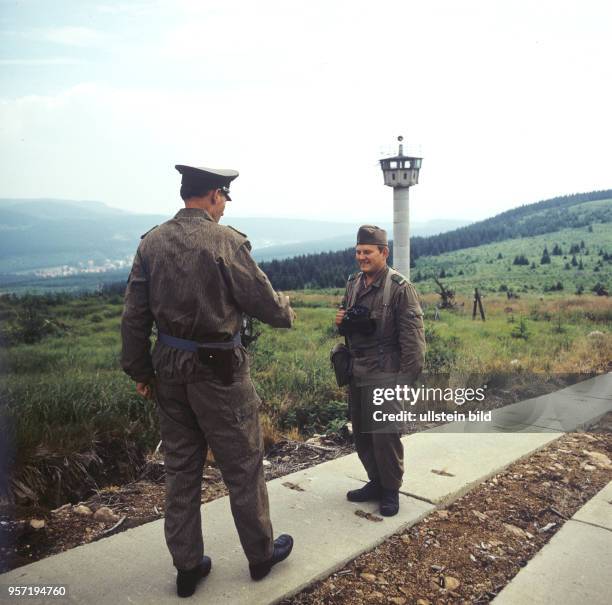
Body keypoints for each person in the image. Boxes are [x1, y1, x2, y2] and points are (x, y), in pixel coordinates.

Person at [121, 164, 295, 598]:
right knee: (243, 464)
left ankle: (187, 566)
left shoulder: (151, 243)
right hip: (220, 374)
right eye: (223, 199)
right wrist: (286, 311)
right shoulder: (226, 242)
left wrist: (141, 371)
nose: (223, 208)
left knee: (180, 471)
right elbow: (265, 303)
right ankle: (260, 555)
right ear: (215, 195)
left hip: (169, 372)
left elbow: (133, 318)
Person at [335, 225, 425, 516]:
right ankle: (375, 482)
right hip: (357, 369)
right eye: (358, 252)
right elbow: (348, 320)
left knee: (384, 435)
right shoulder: (353, 283)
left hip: (385, 371)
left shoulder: (399, 288)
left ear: (384, 253)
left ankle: (390, 490)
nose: (362, 257)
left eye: (368, 252)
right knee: (361, 433)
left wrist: (404, 382)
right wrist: (343, 320)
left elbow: (413, 342)